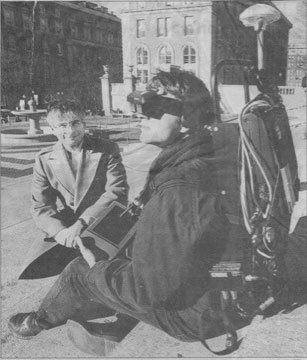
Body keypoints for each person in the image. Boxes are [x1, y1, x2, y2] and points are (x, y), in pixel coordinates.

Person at [9, 71, 235, 351]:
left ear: (187, 119)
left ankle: (40, 321)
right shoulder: (197, 158)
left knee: (80, 271)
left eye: (153, 108)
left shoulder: (180, 186)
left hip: (192, 315)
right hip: (204, 291)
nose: (141, 115)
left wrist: (98, 269)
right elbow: (40, 205)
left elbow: (147, 290)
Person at [18, 98, 129, 278]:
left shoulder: (107, 150)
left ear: (84, 124)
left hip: (103, 225)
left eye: (75, 123)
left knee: (108, 279)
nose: (70, 131)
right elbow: (41, 205)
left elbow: (116, 192)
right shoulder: (44, 159)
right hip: (68, 233)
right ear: (52, 129)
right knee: (72, 280)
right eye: (62, 125)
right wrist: (59, 231)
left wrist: (83, 222)